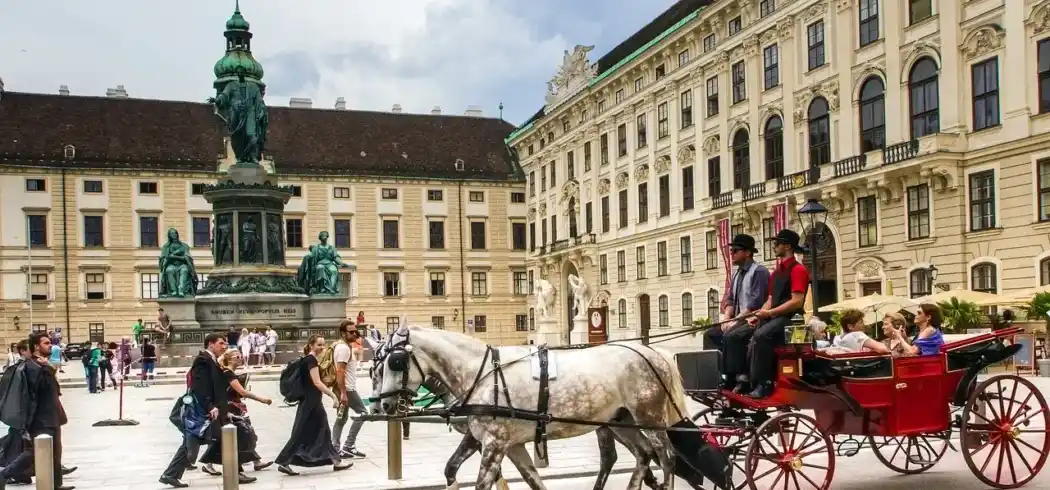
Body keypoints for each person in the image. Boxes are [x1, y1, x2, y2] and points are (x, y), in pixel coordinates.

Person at [743, 229, 811, 399]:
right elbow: (771, 299)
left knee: (762, 335)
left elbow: (796, 301)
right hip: (776, 317)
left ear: (787, 246)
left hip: (791, 319)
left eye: (777, 243)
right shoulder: (776, 272)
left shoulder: (798, 270)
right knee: (747, 334)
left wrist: (769, 313)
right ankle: (746, 379)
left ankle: (765, 383)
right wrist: (758, 314)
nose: (774, 247)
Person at [0, 332, 72, 490]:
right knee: (34, 451)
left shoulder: (41, 364)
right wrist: (47, 368)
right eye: (46, 343)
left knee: (55, 452)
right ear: (36, 347)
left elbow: (53, 390)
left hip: (52, 415)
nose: (50, 345)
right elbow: (39, 390)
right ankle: (4, 474)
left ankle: (56, 484)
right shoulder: (32, 366)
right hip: (40, 418)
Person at [274, 335, 353, 475]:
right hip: (312, 402)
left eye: (323, 345)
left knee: (318, 431)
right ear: (311, 345)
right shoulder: (311, 360)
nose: (322, 348)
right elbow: (317, 382)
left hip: (310, 401)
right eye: (319, 345)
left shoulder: (306, 359)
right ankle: (284, 461)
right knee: (303, 432)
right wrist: (333, 395)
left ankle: (336, 461)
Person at [159, 333, 229, 488]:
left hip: (210, 409)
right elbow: (199, 387)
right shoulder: (203, 360)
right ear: (210, 344)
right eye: (221, 343)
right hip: (203, 410)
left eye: (225, 344)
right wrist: (209, 406)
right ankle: (233, 470)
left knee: (193, 442)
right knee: (195, 442)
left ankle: (170, 474)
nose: (224, 347)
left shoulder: (211, 360)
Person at [708, 234, 770, 393]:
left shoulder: (760, 271)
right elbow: (730, 299)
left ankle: (739, 378)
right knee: (710, 334)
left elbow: (755, 303)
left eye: (736, 250)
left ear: (748, 252)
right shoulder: (736, 273)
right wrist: (726, 319)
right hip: (737, 318)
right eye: (732, 250)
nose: (732, 253)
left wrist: (735, 321)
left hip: (754, 319)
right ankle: (716, 374)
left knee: (732, 336)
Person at [199, 348, 272, 481]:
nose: (240, 358)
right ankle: (235, 470)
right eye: (237, 357)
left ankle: (251, 463)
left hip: (232, 407)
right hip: (231, 408)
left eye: (240, 356)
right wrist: (263, 400)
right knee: (241, 436)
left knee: (236, 436)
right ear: (230, 359)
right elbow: (243, 392)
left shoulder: (228, 372)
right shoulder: (228, 373)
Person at [331, 321, 367, 458]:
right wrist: (344, 393)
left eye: (355, 331)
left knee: (341, 418)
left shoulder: (343, 346)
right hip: (347, 389)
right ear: (343, 333)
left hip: (343, 388)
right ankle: (348, 445)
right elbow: (340, 371)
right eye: (351, 332)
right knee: (363, 413)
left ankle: (335, 448)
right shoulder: (344, 349)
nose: (354, 333)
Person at [818, 309, 890, 354]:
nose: (864, 325)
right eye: (861, 322)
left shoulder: (838, 338)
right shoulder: (856, 335)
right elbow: (882, 348)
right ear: (850, 326)